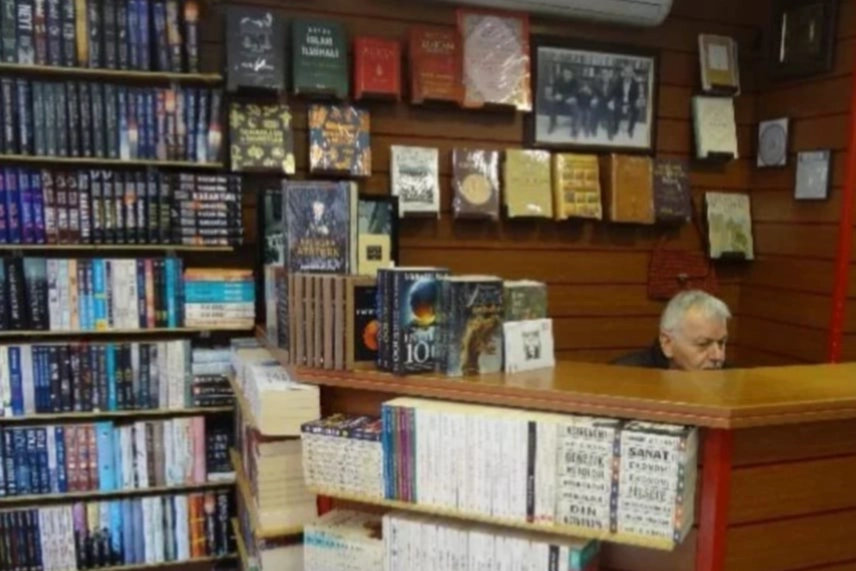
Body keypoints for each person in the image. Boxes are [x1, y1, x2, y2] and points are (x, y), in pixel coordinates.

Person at [612, 290, 731, 370]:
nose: (718, 356)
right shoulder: (624, 376)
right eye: (703, 344)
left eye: (721, 343)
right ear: (667, 343)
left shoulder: (730, 378)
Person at [608, 64, 642, 139]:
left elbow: (636, 96)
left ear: (632, 74)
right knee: (617, 107)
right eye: (626, 72)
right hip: (620, 100)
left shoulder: (635, 83)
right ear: (623, 73)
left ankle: (631, 129)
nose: (627, 75)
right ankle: (616, 127)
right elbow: (614, 92)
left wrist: (632, 103)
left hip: (631, 101)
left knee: (637, 109)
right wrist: (612, 100)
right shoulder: (619, 81)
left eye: (629, 73)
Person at [547, 66, 580, 136]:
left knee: (575, 106)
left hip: (570, 99)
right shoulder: (559, 79)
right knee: (553, 103)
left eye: (568, 74)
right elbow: (554, 89)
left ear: (572, 74)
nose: (566, 75)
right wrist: (556, 95)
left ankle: (574, 128)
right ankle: (552, 123)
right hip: (560, 99)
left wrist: (564, 96)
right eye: (564, 73)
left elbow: (575, 93)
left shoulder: (576, 81)